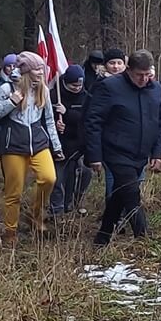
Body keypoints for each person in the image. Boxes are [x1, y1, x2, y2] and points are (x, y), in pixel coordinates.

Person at [87, 50, 161, 246]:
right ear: (128, 70)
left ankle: (103, 235)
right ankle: (144, 238)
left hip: (140, 152)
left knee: (120, 193)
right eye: (139, 75)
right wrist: (94, 155)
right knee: (131, 192)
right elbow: (93, 121)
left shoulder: (156, 89)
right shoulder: (109, 87)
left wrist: (157, 152)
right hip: (115, 150)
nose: (143, 79)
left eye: (147, 74)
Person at [0, 51, 60, 243]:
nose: (41, 74)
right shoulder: (7, 89)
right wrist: (11, 102)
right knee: (14, 192)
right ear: (27, 71)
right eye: (37, 70)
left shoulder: (42, 89)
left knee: (49, 178)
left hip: (38, 142)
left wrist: (56, 146)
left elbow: (49, 120)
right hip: (13, 145)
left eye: (42, 70)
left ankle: (34, 214)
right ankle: (10, 232)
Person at [51, 65, 92, 216]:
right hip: (60, 145)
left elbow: (86, 119)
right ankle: (57, 210)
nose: (77, 88)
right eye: (73, 85)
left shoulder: (86, 96)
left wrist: (67, 113)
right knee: (58, 179)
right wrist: (57, 123)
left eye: (79, 85)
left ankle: (76, 199)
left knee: (85, 173)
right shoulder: (54, 95)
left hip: (79, 143)